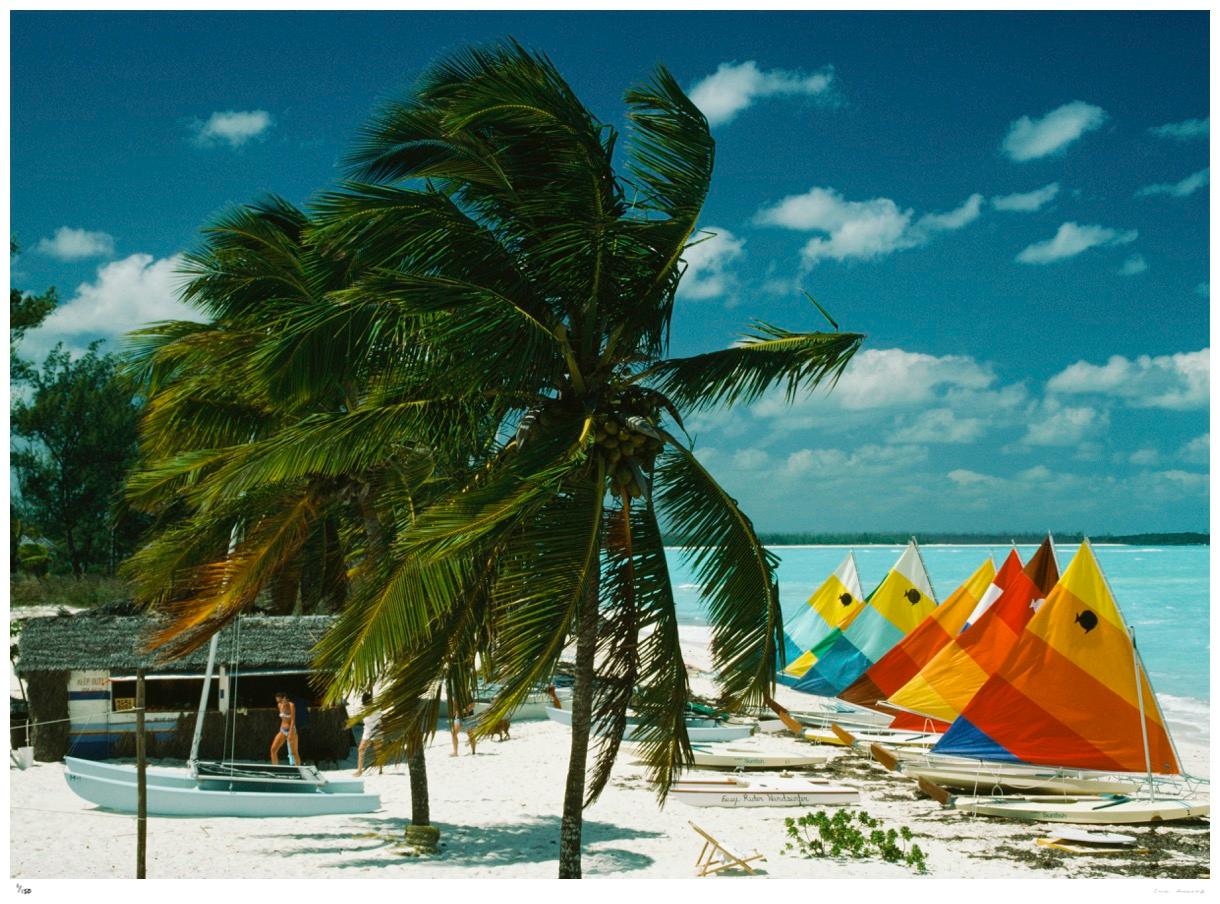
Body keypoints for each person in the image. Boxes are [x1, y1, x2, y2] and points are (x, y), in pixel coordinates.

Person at [354, 692, 383, 777]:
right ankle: (359, 771)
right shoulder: (364, 708)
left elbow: (379, 719)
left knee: (377, 751)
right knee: (361, 749)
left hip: (376, 730)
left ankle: (380, 769)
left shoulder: (376, 708)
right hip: (367, 730)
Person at [270, 691, 298, 766]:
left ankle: (298, 769)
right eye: (278, 701)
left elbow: (292, 720)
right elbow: (283, 719)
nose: (280, 702)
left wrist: (291, 732)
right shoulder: (279, 705)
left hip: (291, 730)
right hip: (282, 730)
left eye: (281, 700)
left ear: (285, 698)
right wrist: (281, 728)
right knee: (273, 749)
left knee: (294, 753)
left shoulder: (291, 705)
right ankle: (275, 768)